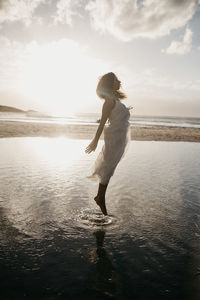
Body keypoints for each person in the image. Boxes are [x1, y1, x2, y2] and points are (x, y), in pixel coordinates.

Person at [85, 72, 131, 215]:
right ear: (110, 83)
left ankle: (100, 197)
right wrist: (95, 141)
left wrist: (124, 111)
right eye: (116, 80)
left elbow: (115, 117)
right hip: (114, 137)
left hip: (119, 138)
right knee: (108, 167)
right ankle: (100, 198)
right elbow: (103, 122)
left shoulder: (114, 99)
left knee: (109, 168)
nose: (119, 81)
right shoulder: (109, 102)